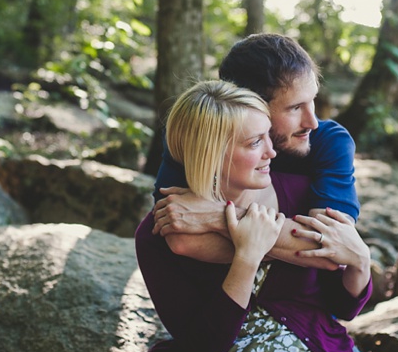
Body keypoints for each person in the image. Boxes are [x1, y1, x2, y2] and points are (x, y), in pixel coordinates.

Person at [135, 80, 373, 352]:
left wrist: (361, 263)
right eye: (255, 142)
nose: (271, 152)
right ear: (211, 155)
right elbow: (205, 347)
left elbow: (342, 307)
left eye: (268, 137)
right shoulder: (157, 234)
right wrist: (246, 258)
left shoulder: (301, 195)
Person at [152, 33, 360, 270]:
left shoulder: (331, 141)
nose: (312, 122)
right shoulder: (200, 136)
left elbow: (332, 252)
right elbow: (181, 238)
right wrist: (290, 244)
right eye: (294, 108)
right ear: (250, 105)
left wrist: (219, 216)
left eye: (311, 100)